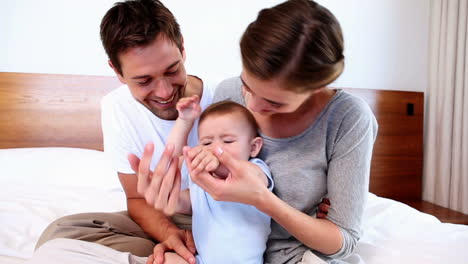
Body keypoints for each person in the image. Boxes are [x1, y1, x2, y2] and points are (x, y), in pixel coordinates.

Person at [141, 0, 378, 263]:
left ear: (315, 88)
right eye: (247, 85)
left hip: (292, 255)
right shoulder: (229, 93)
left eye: (274, 103)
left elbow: (342, 240)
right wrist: (171, 205)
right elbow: (203, 193)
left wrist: (263, 200)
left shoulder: (347, 118)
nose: (251, 105)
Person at [35, 1, 213, 264]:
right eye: (144, 81)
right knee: (60, 234)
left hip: (222, 213)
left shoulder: (226, 98)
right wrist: (169, 234)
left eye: (172, 70)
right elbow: (137, 198)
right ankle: (176, 254)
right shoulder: (116, 107)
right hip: (162, 220)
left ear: (182, 48)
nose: (164, 92)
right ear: (117, 71)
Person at [139, 96, 273, 264]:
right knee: (166, 259)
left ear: (253, 147)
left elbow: (252, 180)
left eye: (228, 141)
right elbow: (174, 163)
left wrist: (218, 166)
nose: (216, 149)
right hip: (202, 261)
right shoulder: (201, 180)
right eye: (207, 142)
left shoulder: (257, 169)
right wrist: (184, 122)